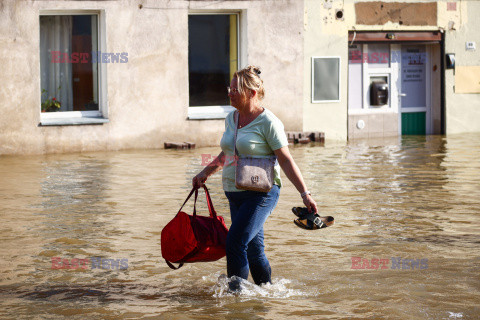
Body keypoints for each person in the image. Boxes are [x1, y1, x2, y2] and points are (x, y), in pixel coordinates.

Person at [192, 65, 317, 291]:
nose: (229, 93)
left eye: (234, 90)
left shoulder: (269, 122)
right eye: (228, 88)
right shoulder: (231, 118)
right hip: (234, 192)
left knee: (235, 243)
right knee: (253, 248)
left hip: (262, 194)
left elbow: (286, 160)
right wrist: (204, 173)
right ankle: (267, 291)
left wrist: (305, 194)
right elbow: (227, 154)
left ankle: (236, 299)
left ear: (252, 93)